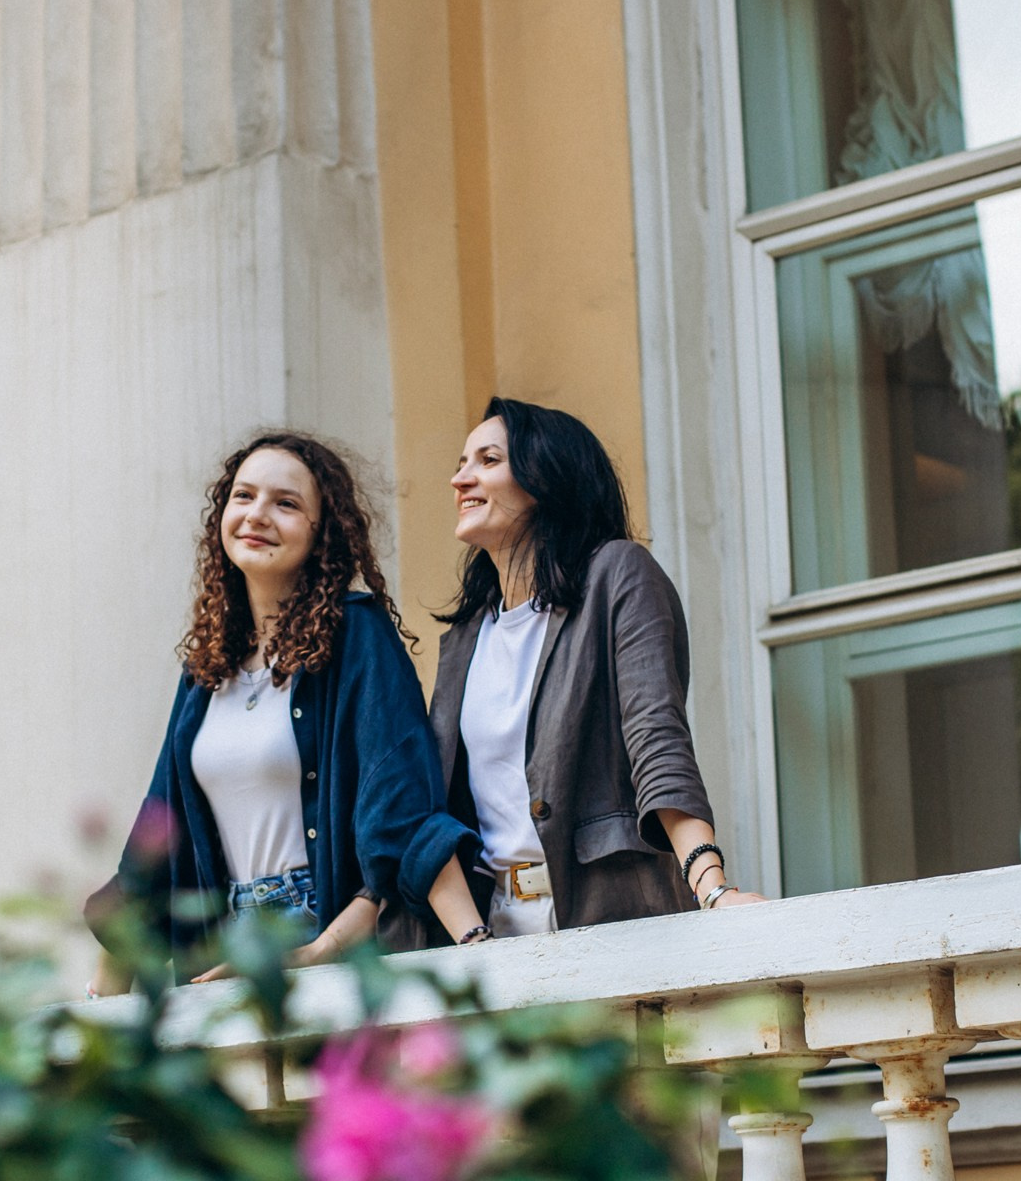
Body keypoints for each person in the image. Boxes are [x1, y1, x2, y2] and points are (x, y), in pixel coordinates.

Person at [88, 431, 489, 993]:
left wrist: (473, 945)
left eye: (286, 503)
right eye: (243, 496)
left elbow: (401, 808)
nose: (257, 515)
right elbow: (158, 834)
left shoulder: (357, 634)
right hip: (225, 945)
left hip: (324, 934)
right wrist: (101, 1004)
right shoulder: (208, 666)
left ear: (322, 532)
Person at [427, 397, 764, 938]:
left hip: (613, 916)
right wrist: (469, 938)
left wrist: (712, 888)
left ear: (545, 478)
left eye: (488, 461)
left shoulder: (617, 574)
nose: (459, 479)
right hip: (494, 931)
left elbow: (656, 735)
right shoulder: (467, 637)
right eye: (462, 463)